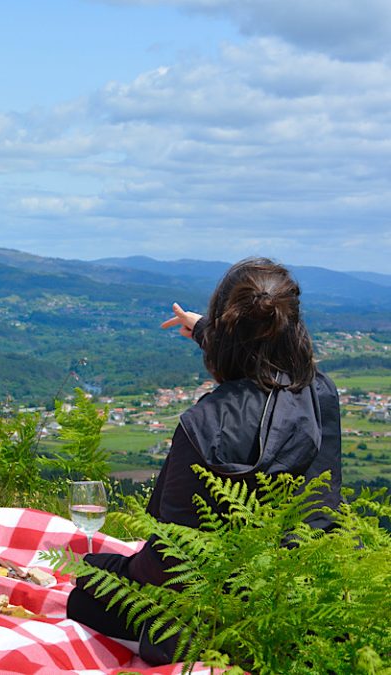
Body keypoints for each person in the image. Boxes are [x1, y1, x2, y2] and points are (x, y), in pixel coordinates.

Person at [65, 257, 342, 664]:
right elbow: (262, 359)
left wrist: (101, 568)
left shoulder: (205, 424)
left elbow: (168, 563)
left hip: (207, 621)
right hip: (297, 604)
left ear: (229, 332)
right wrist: (202, 330)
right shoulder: (319, 394)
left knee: (84, 591)